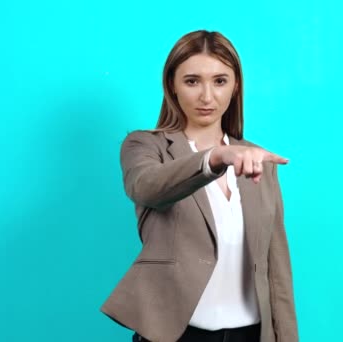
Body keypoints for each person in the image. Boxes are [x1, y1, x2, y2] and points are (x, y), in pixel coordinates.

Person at [101, 30, 298, 342]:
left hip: (250, 334)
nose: (207, 96)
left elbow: (276, 267)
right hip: (175, 335)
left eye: (220, 81)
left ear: (235, 87)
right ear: (173, 87)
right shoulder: (145, 146)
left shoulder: (257, 160)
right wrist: (214, 158)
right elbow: (147, 187)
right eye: (192, 81)